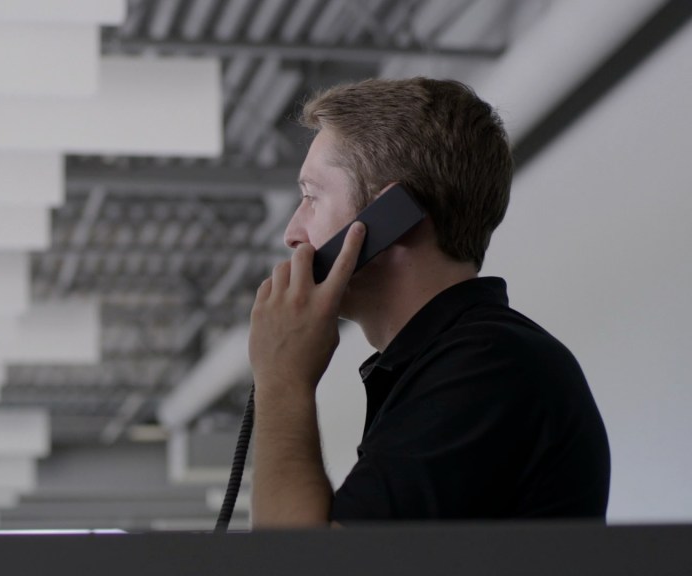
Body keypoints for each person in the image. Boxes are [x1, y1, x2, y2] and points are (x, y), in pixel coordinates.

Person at [247, 77, 610, 528]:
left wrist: (282, 381)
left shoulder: (487, 367)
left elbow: (299, 570)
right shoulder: (454, 363)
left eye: (311, 197)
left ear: (391, 218)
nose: (292, 233)